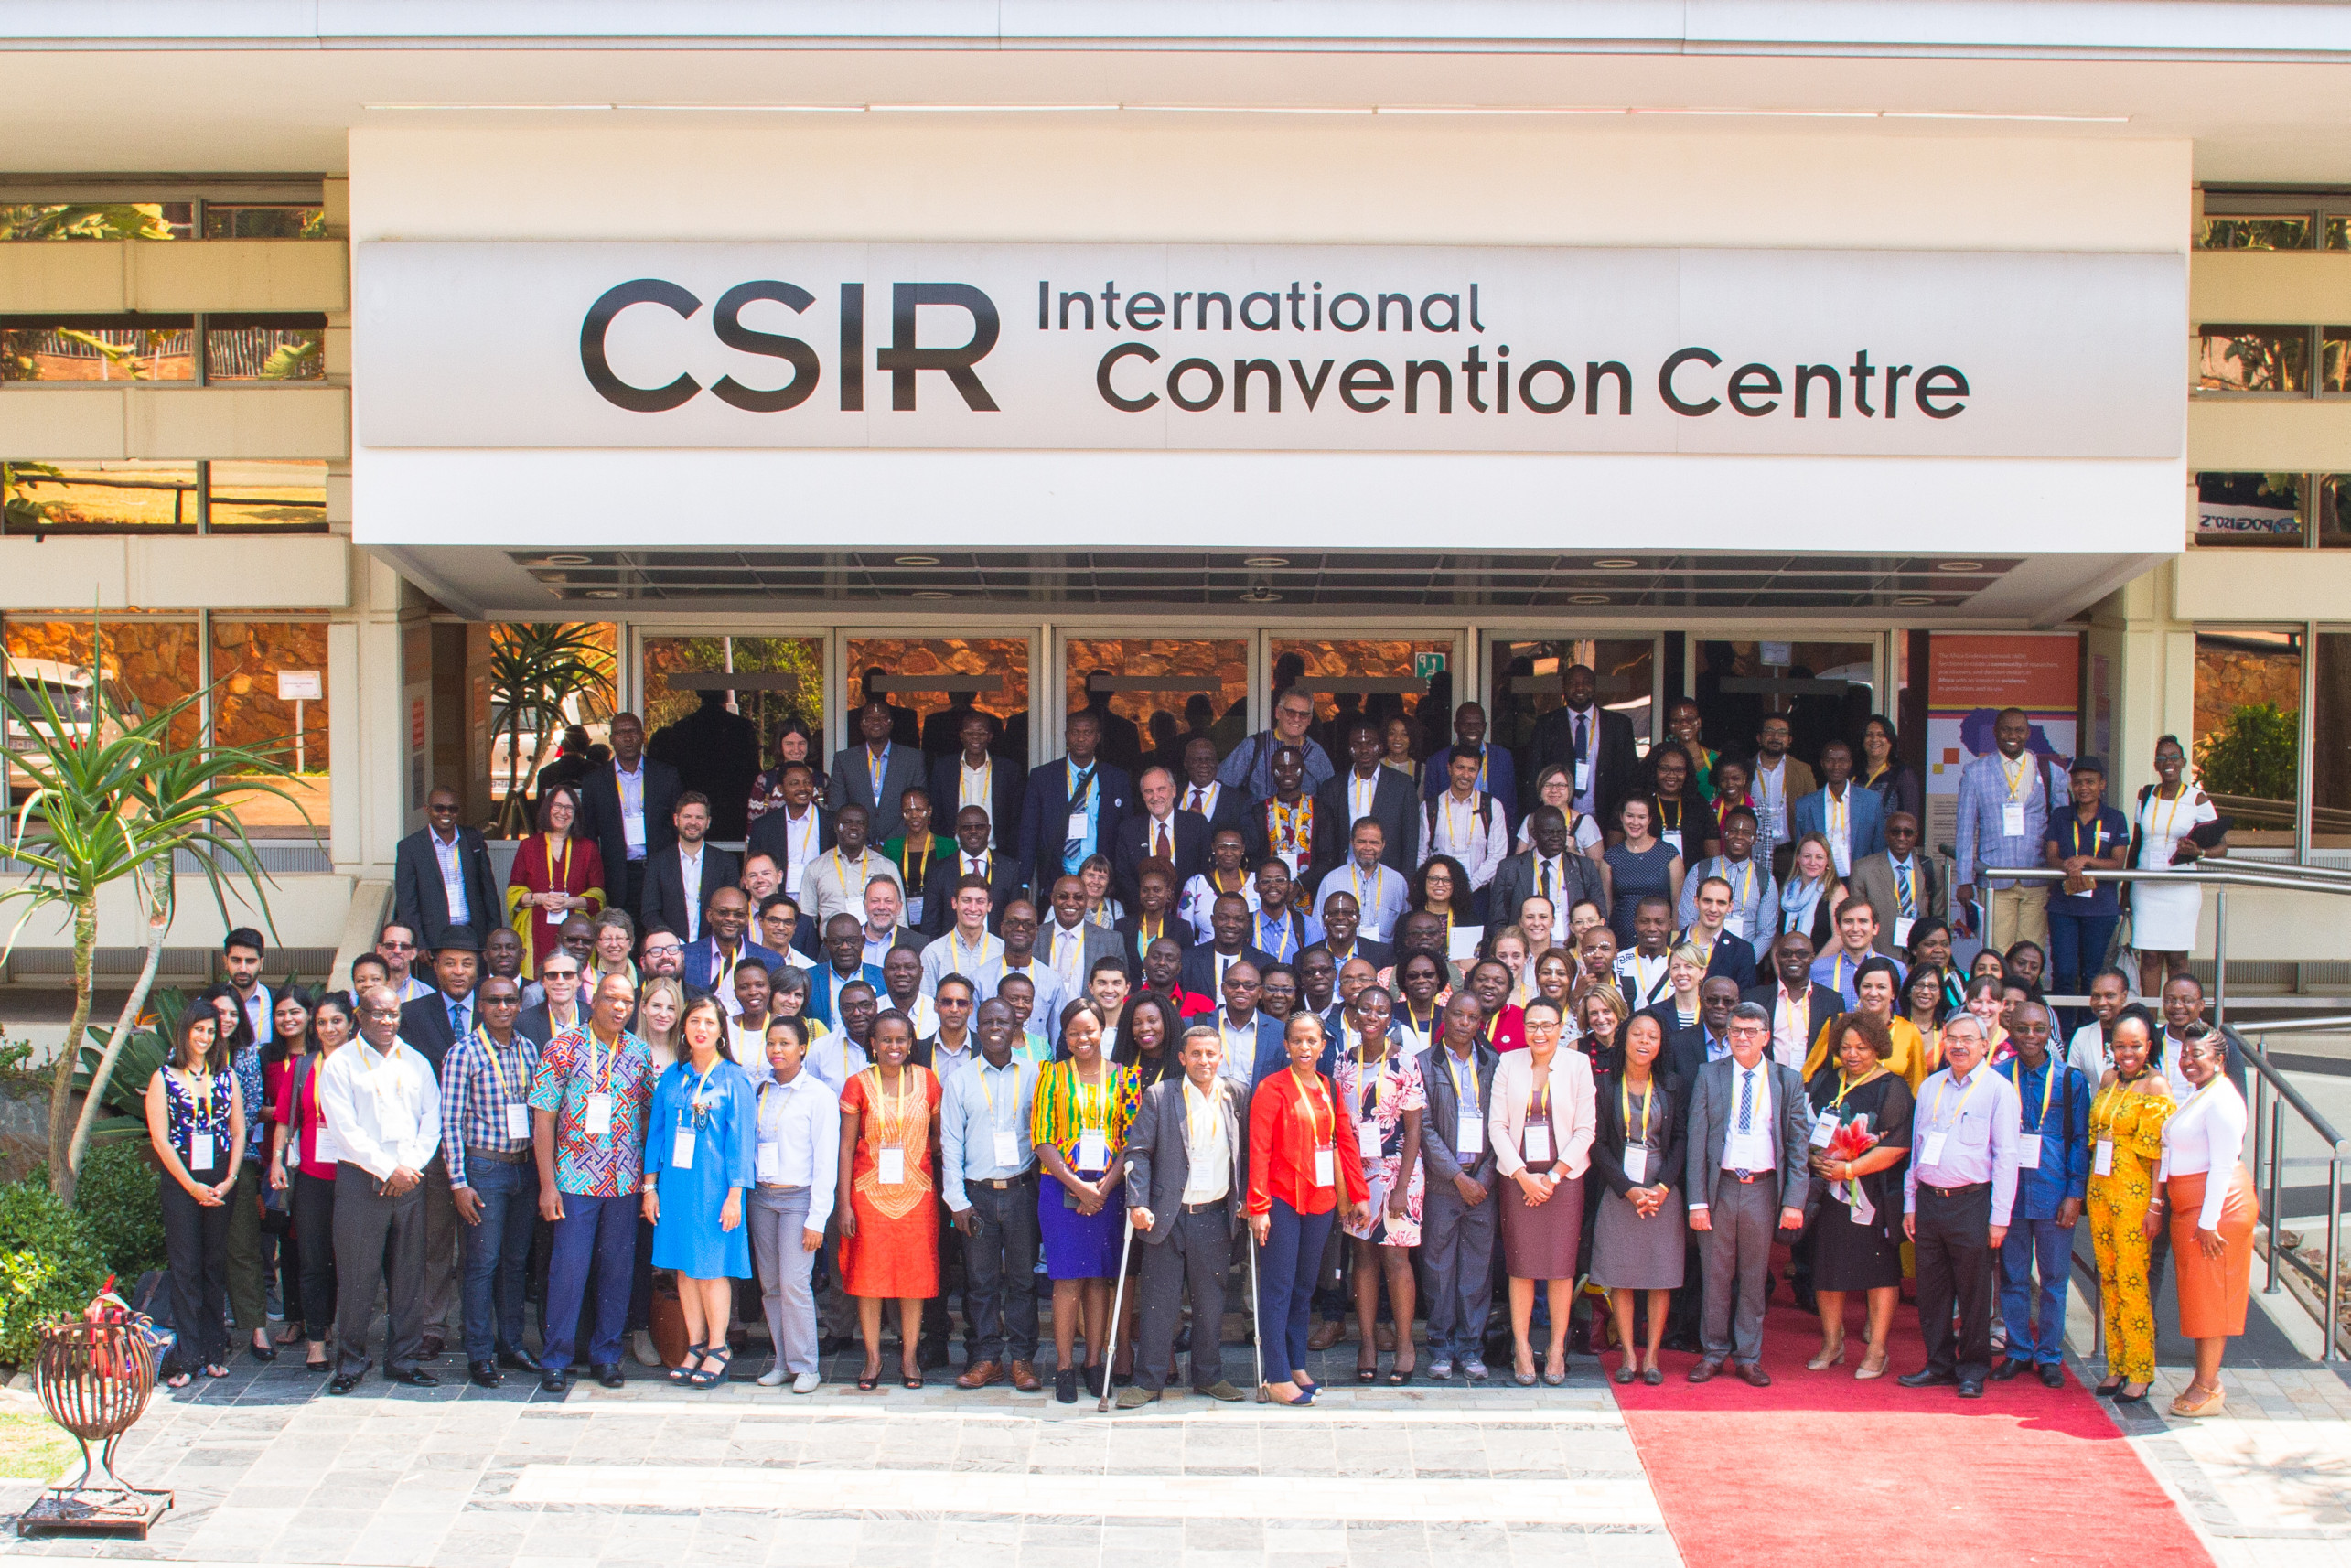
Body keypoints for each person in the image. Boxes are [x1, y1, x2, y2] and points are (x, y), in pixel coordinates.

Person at [530, 972, 658, 1393]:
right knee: (568, 1270)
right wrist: (548, 1185)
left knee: (616, 1273)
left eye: (627, 1001)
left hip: (623, 1183)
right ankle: (556, 1359)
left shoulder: (638, 1052)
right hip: (574, 1180)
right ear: (594, 1000)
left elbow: (648, 1112)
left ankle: (607, 1355)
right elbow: (544, 1119)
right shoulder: (562, 1047)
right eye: (611, 999)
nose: (619, 1007)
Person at [317, 985, 444, 1393]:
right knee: (358, 1277)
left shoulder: (417, 1062)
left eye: (393, 1014)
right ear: (359, 1016)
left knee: (408, 1277)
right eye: (378, 1013)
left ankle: (403, 1360)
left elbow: (432, 1121)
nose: (387, 1021)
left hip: (410, 1182)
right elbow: (345, 1130)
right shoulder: (340, 1064)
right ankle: (350, 1364)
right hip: (361, 1181)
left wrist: (409, 1168)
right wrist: (388, 1169)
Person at [1118, 1026, 1249, 1406]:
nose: (1203, 1061)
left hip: (1214, 1215)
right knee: (1159, 1303)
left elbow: (1247, 1152)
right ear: (1182, 1058)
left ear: (1220, 1057)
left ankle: (1209, 1377)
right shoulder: (1161, 1095)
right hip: (1167, 1216)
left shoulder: (1237, 1094)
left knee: (1210, 1304)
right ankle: (1148, 1382)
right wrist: (1138, 1202)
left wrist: (1245, 1197)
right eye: (1196, 1054)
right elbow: (1138, 1151)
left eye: (1210, 1054)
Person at [1685, 1002, 1810, 1386]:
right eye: (1736, 1030)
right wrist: (1697, 1202)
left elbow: (1798, 1145)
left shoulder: (1787, 1080)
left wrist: (1794, 1200)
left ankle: (1748, 1356)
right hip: (1720, 1187)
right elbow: (1697, 1141)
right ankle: (1713, 1352)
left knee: (1754, 1277)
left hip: (1762, 1188)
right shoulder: (1709, 1075)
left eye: (1751, 1031)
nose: (1742, 1037)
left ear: (1766, 1037)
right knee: (1715, 1275)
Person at [1897, 1014, 2022, 1399]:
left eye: (1968, 1038)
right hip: (1929, 1201)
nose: (1959, 1045)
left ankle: (1972, 1369)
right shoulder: (1931, 1086)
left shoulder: (1998, 1090)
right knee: (1932, 1292)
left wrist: (1999, 1218)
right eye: (1952, 1038)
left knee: (1973, 1293)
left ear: (1985, 1045)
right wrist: (1910, 1202)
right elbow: (1918, 1148)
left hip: (1972, 1202)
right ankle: (1938, 1364)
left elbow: (2007, 1156)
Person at [1247, 1013, 1368, 1405]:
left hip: (1321, 1200)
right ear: (1286, 1046)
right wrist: (1258, 1206)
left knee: (1304, 1287)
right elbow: (1259, 1150)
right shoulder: (1272, 1087)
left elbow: (1344, 1141)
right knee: (1278, 1287)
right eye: (1297, 1040)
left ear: (1322, 1046)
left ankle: (1296, 1365)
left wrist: (1359, 1194)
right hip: (1282, 1200)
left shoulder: (1328, 1087)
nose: (1304, 1047)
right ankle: (1277, 1375)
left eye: (1312, 1041)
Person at [642, 994, 757, 1389]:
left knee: (710, 1268)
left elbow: (741, 1142)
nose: (701, 1029)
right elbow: (657, 1134)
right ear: (684, 1028)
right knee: (683, 1267)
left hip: (715, 1188)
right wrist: (650, 1187)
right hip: (675, 1185)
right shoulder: (672, 1077)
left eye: (709, 1022)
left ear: (721, 1030)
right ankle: (694, 1345)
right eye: (694, 1021)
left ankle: (718, 1348)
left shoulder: (734, 1078)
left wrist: (735, 1195)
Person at [1031, 1002, 1140, 1402]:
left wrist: (1104, 1189)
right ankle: (1063, 1367)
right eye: (1074, 1032)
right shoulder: (1051, 1075)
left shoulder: (1126, 1078)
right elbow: (1041, 1138)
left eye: (1089, 1030)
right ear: (1064, 1036)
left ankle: (1094, 1363)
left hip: (1109, 1190)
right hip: (1061, 1189)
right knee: (1067, 1279)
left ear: (1102, 1030)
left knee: (1098, 1279)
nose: (1083, 1038)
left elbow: (1131, 1140)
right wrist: (1079, 1187)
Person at [439, 974, 542, 1389]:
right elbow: (450, 1123)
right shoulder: (463, 1053)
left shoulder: (529, 1049)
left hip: (524, 1167)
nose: (503, 1007)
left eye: (510, 1000)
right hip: (485, 1170)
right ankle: (479, 1352)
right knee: (482, 1264)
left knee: (515, 1262)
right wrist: (458, 1182)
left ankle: (511, 1344)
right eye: (494, 1001)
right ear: (480, 1006)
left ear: (519, 1005)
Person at [1487, 996, 1595, 1385]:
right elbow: (1497, 1126)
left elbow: (1586, 1129)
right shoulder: (1508, 1062)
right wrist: (1522, 1176)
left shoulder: (1577, 1064)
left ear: (1561, 1027)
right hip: (1518, 1179)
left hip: (1564, 1180)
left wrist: (1552, 1177)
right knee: (1522, 1266)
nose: (1539, 1033)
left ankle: (1555, 1348)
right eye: (1532, 1025)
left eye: (1548, 1025)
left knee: (1560, 1268)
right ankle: (1521, 1347)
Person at [2149, 1028, 2256, 1418]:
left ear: (2220, 1060)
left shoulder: (2224, 1098)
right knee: (2197, 1296)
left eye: (2198, 1054)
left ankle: (2208, 1384)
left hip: (2217, 1209)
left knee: (2212, 1296)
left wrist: (2209, 1223)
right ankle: (2205, 1378)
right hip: (2190, 1206)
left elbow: (2223, 1165)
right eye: (2185, 1055)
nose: (2188, 1061)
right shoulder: (2201, 1094)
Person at [1802, 1011, 1914, 1380]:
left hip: (1873, 1193)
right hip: (1827, 1191)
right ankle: (1832, 1343)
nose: (1852, 1054)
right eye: (1846, 1047)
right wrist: (1812, 1157)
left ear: (1877, 1047)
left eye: (1862, 1048)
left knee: (1879, 1270)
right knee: (1827, 1267)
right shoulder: (1827, 1080)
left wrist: (1849, 1170)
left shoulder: (1892, 1087)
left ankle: (1877, 1350)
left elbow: (1898, 1146)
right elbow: (1806, 1125)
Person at [836, 1010, 943, 1391]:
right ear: (873, 1044)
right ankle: (873, 1357)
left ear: (911, 1043)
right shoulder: (857, 1084)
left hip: (917, 1195)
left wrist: (917, 1158)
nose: (893, 1046)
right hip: (868, 1195)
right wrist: (844, 1203)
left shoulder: (928, 1081)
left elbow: (940, 1136)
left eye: (900, 1040)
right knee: (870, 1279)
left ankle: (909, 1356)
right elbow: (846, 1147)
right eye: (885, 1040)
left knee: (914, 1280)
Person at [939, 998, 1043, 1393]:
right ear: (976, 1027)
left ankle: (1021, 1359)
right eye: (987, 1022)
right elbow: (951, 1142)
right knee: (980, 1283)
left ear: (1016, 1025)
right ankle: (986, 1359)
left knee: (1022, 1281)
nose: (995, 1028)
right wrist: (957, 1200)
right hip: (977, 1196)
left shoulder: (1035, 1074)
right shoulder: (961, 1079)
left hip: (1021, 1193)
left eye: (1003, 1021)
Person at [1991, 1000, 2090, 1388]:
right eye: (2022, 1029)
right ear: (2010, 1031)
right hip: (2011, 1192)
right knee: (2013, 1277)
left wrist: (2075, 1194)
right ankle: (2018, 1350)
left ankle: (2049, 1354)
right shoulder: (1999, 1077)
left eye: (2039, 1029)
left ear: (2050, 1032)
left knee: (2053, 1279)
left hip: (2053, 1190)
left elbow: (2080, 1139)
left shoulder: (2070, 1080)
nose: (2031, 1036)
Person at [147, 1002, 243, 1386]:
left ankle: (213, 1353)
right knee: (186, 1268)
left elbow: (238, 1130)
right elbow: (160, 1139)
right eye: (198, 1029)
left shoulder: (226, 1076)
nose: (205, 1037)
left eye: (211, 1031)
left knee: (213, 1266)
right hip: (181, 1181)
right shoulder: (164, 1077)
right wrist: (191, 1186)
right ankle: (188, 1359)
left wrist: (230, 1178)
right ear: (185, 1031)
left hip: (219, 1180)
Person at [1335, 992, 1426, 1384]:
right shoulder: (1342, 1061)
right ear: (1354, 1016)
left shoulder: (1405, 1061)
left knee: (1396, 1257)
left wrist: (1402, 1186)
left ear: (1391, 1019)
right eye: (1365, 1009)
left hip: (1398, 1170)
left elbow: (1414, 1129)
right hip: (1358, 1171)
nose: (1372, 1016)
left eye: (1381, 1011)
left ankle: (1405, 1345)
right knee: (1363, 1255)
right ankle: (1368, 1343)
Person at [1594, 1011, 1688, 1386]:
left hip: (1662, 1191)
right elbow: (1599, 1144)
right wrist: (1627, 1188)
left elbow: (1680, 1139)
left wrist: (1662, 1186)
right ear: (1624, 1038)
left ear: (1661, 1044)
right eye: (1637, 1034)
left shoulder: (1672, 1085)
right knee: (1622, 1275)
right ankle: (1629, 1355)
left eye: (1653, 1036)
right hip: (1622, 1190)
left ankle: (1651, 1357)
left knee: (1659, 1275)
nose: (1644, 1042)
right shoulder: (1605, 1085)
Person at [1411, 990, 1500, 1383]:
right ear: (1444, 1015)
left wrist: (1483, 1177)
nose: (1465, 1023)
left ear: (1481, 1023)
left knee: (1477, 1270)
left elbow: (1502, 1125)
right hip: (1443, 1184)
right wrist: (1457, 1177)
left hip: (1483, 1183)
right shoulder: (1423, 1064)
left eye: (1473, 1017)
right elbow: (1424, 1127)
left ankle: (1470, 1348)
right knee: (1438, 1268)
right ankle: (1440, 1347)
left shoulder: (1494, 1064)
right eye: (1458, 1015)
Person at [748, 1017, 839, 1394]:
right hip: (761, 1197)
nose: (776, 1050)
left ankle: (806, 1366)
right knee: (770, 1285)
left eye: (785, 1043)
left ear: (803, 1048)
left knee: (794, 1283)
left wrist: (817, 1218)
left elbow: (826, 1161)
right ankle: (783, 1362)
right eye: (771, 1043)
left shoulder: (818, 1095)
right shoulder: (759, 1087)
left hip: (798, 1200)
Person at [2088, 1005, 2173, 1402]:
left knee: (2133, 1279)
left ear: (2148, 1046)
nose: (2127, 1053)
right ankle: (2117, 1363)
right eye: (2120, 1046)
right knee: (2108, 1277)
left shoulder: (2156, 1086)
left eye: (2135, 1046)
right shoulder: (2109, 1079)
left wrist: (2157, 1203)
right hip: (2100, 1189)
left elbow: (2161, 1154)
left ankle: (2141, 1369)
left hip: (2135, 1193)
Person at [268, 992, 349, 1372]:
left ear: (350, 1023)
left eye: (336, 1021)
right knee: (313, 1258)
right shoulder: (303, 1067)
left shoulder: (364, 1064)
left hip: (355, 1176)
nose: (329, 1029)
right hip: (313, 1177)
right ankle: (316, 1340)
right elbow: (285, 1121)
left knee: (350, 1262)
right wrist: (276, 1161)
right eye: (322, 1022)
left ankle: (346, 1334)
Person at [1953, 707, 2068, 950]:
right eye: (2006, 729)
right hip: (1996, 879)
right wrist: (1964, 880)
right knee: (1997, 952)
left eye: (2019, 730)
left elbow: (2062, 826)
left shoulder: (2050, 771)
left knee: (2031, 953)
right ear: (1995, 732)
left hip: (2036, 877)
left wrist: (2059, 873)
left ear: (2028, 733)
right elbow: (1965, 830)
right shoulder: (1975, 773)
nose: (2012, 735)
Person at [2130, 734, 2228, 996]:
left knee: (2177, 958)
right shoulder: (2146, 794)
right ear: (2155, 764)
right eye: (2162, 758)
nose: (2168, 762)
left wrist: (2200, 852)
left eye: (2174, 757)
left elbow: (2222, 846)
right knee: (2149, 956)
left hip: (2181, 888)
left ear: (2183, 762)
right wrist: (2125, 887)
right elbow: (2137, 842)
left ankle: (2180, 1015)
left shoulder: (2197, 799)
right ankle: (2149, 1016)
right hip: (2146, 887)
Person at [1018, 710, 1136, 897]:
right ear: (1066, 736)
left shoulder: (1116, 779)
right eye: (1075, 732)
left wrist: (1122, 883)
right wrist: (1024, 881)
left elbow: (1126, 834)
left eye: (1087, 732)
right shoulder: (1043, 777)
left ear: (1097, 738)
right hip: (1056, 877)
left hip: (1101, 880)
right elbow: (1029, 831)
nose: (1081, 738)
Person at [579, 711, 682, 922]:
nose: (627, 738)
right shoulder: (594, 782)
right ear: (611, 739)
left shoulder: (666, 775)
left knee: (658, 930)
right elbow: (589, 834)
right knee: (620, 932)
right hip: (617, 874)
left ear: (643, 736)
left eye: (633, 731)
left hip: (658, 871)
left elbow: (678, 826)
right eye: (620, 733)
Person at [504, 785, 605, 979]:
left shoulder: (588, 848)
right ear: (547, 808)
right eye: (557, 806)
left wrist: (570, 902)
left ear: (576, 813)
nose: (563, 812)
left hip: (575, 934)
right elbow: (513, 891)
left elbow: (598, 895)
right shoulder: (528, 846)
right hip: (536, 928)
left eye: (569, 808)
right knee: (538, 979)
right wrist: (539, 898)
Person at [395, 785, 501, 956]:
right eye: (439, 808)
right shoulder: (410, 847)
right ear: (427, 810)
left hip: (474, 934)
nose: (446, 813)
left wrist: (494, 932)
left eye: (452, 809)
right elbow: (407, 903)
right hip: (433, 938)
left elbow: (488, 890)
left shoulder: (473, 839)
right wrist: (418, 942)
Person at [648, 686, 763, 842]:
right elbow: (753, 773)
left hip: (694, 813)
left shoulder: (683, 728)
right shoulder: (741, 727)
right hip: (733, 814)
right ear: (725, 695)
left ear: (698, 694)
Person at [1530, 664, 1638, 827]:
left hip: (1608, 821)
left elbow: (1629, 776)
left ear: (1594, 687)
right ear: (1564, 688)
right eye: (1573, 683)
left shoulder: (1619, 724)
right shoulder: (1546, 724)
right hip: (1559, 820)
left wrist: (1619, 823)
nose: (1580, 687)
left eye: (1586, 682)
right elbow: (1535, 773)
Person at [1494, 805, 1607, 951]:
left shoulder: (1584, 867)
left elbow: (1600, 916)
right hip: (1523, 953)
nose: (1555, 838)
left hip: (1572, 951)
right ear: (1534, 833)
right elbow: (1498, 920)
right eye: (1549, 832)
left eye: (1560, 832)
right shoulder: (1510, 867)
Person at [1316, 719, 1421, 875]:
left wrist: (1405, 881)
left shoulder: (1402, 785)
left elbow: (1410, 842)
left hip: (1388, 877)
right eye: (1357, 744)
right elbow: (1326, 843)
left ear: (1381, 747)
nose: (1364, 750)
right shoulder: (1332, 787)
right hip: (1344, 874)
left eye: (1371, 744)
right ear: (1350, 749)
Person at [1420, 746, 1510, 914]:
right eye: (1460, 767)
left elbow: (1497, 854)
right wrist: (1433, 886)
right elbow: (1421, 854)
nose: (1466, 775)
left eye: (1472, 769)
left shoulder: (1491, 806)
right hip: (1437, 894)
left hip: (1476, 894)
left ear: (1478, 772)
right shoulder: (1431, 807)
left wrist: (1469, 886)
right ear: (1449, 768)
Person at [826, 699, 928, 846]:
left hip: (900, 846)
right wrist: (862, 842)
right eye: (869, 719)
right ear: (861, 725)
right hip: (856, 846)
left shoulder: (913, 759)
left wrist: (887, 844)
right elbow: (837, 808)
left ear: (891, 723)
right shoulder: (844, 760)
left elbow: (919, 806)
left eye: (882, 718)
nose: (876, 722)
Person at [644, 791, 738, 947]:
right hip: (671, 948)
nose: (693, 822)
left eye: (699, 817)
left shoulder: (726, 862)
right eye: (687, 816)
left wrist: (710, 942)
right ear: (676, 819)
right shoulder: (658, 862)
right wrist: (672, 941)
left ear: (708, 822)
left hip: (714, 946)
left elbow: (731, 910)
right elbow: (650, 912)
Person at [1677, 806, 1778, 946]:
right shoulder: (1700, 871)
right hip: (1701, 955)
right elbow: (1686, 922)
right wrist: (1699, 956)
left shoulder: (1765, 880)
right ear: (1724, 833)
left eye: (1746, 833)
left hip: (1745, 956)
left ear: (1754, 839)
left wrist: (1747, 958)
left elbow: (1766, 933)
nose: (1739, 836)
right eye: (1733, 831)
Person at [1849, 810, 1943, 959]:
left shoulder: (1931, 869)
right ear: (1886, 834)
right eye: (1895, 832)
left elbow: (1938, 918)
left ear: (1916, 836)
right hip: (1879, 954)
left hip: (1919, 956)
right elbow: (1856, 918)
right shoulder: (1863, 869)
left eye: (1908, 833)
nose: (1901, 837)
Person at [1220, 683, 1336, 802]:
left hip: (1304, 814)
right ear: (1278, 713)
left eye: (1303, 715)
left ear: (1309, 720)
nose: (1297, 719)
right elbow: (1221, 786)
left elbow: (1332, 797)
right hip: (1258, 813)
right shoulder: (1254, 746)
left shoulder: (1316, 753)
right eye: (1291, 712)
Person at [931, 708, 1025, 854]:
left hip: (996, 853)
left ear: (990, 737)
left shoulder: (1009, 770)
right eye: (970, 733)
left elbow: (1015, 819)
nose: (975, 737)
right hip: (953, 853)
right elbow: (937, 816)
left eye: (981, 733)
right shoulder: (944, 768)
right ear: (961, 736)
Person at [1114, 764, 1209, 907]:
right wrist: (1147, 905)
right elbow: (1123, 876)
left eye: (1161, 789)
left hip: (1188, 909)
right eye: (1149, 791)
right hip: (1143, 910)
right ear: (1143, 795)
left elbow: (1204, 871)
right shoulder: (1128, 830)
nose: (1155, 797)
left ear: (1174, 791)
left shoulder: (1197, 825)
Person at [1791, 739, 1886, 880]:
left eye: (1842, 760)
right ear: (1822, 763)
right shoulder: (1804, 805)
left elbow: (1879, 850)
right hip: (1819, 880)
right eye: (1830, 760)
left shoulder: (1871, 801)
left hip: (1859, 881)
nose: (1836, 766)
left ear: (1850, 763)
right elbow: (1801, 853)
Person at [799, 802, 902, 931]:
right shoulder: (815, 868)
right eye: (847, 823)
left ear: (867, 829)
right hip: (831, 942)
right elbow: (806, 919)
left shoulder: (887, 868)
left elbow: (900, 917)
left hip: (878, 942)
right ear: (836, 827)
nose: (854, 827)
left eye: (860, 823)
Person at [745, 762, 834, 906]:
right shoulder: (763, 826)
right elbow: (754, 866)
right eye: (794, 783)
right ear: (780, 788)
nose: (803, 788)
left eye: (807, 782)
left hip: (821, 900)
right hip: (777, 901)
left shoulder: (831, 822)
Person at [1605, 796, 1684, 949]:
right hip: (1621, 936)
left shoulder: (1669, 853)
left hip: (1659, 936)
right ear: (1621, 817)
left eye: (1641, 817)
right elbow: (1607, 907)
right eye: (1630, 816)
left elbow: (1677, 902)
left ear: (1650, 820)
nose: (1635, 822)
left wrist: (1675, 938)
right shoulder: (1610, 857)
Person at [1746, 714, 1816, 867]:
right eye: (1769, 731)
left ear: (1790, 740)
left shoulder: (1803, 771)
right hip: (1753, 853)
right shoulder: (1745, 769)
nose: (1775, 737)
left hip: (1789, 854)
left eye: (1782, 732)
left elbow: (1813, 813)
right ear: (1759, 738)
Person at [1677, 877, 1759, 992]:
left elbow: (1744, 997)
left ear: (1730, 906)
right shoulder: (1672, 942)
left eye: (1721, 903)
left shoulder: (1743, 952)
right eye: (1707, 901)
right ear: (1696, 901)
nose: (1713, 909)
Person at [1179, 827, 1260, 941]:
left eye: (1235, 847)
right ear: (1213, 847)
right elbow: (1184, 934)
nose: (1228, 853)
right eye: (1222, 847)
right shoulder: (1195, 884)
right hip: (1205, 952)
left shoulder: (1258, 882)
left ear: (1243, 849)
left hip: (1252, 952)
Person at [2066, 968, 2137, 1087]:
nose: (2101, 1002)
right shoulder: (2082, 1035)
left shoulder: (2140, 1033)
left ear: (2124, 996)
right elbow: (2073, 1083)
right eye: (2096, 996)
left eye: (2110, 996)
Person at [1407, 855, 1479, 966]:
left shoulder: (1471, 921)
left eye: (1447, 880)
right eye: (1433, 879)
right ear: (1423, 881)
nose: (1440, 884)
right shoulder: (1408, 920)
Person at [1774, 832, 1842, 948]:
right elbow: (1775, 933)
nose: (1812, 862)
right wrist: (1778, 960)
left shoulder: (1835, 890)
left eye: (1819, 857)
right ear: (1798, 858)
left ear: (1827, 861)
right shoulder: (1787, 891)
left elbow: (1839, 937)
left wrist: (1813, 961)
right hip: (1786, 958)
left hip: (1821, 959)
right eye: (1807, 856)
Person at [1856, 714, 1923, 826]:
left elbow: (1910, 820)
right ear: (1862, 741)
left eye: (1881, 735)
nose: (1875, 739)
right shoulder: (1853, 774)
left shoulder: (1902, 775)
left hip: (1885, 837)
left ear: (1890, 740)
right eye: (1869, 735)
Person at [517, 949, 585, 1047]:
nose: (560, 981)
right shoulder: (523, 1023)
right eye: (552, 975)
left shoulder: (594, 1017)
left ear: (579, 980)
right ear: (543, 982)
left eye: (568, 974)